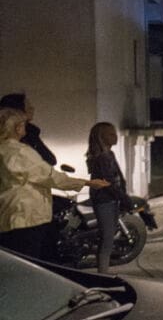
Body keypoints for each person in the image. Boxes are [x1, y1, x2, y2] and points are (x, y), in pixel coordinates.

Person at [0, 108, 107, 261]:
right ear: (17, 128)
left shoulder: (3, 150)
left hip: (6, 213)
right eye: (23, 125)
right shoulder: (20, 152)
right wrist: (87, 182)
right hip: (27, 216)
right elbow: (50, 177)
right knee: (31, 263)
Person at [85, 122, 135, 273]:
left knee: (109, 235)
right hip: (104, 200)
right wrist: (124, 198)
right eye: (111, 134)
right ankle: (102, 273)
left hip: (111, 198)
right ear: (101, 137)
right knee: (107, 238)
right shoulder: (101, 158)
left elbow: (118, 178)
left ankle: (104, 271)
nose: (115, 136)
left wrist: (123, 194)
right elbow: (108, 183)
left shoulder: (109, 154)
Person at [0, 93, 56, 166]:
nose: (32, 108)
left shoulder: (31, 131)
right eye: (28, 107)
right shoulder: (26, 136)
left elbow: (50, 159)